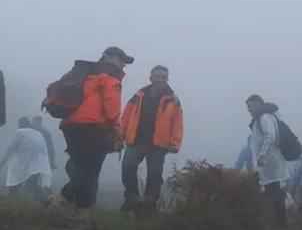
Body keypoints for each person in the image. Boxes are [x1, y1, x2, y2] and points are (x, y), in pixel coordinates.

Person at [58, 46, 131, 208]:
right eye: (121, 59)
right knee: (90, 169)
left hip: (70, 125)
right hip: (93, 127)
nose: (123, 65)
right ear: (107, 57)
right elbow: (112, 109)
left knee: (80, 165)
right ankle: (65, 200)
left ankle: (78, 207)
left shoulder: (87, 73)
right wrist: (117, 130)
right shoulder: (110, 75)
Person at [119, 65, 183, 212]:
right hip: (136, 140)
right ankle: (132, 198)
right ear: (151, 77)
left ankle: (150, 203)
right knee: (128, 167)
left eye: (163, 77)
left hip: (159, 144)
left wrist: (175, 143)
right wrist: (120, 134)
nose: (160, 79)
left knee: (154, 174)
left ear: (167, 79)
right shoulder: (139, 95)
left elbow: (177, 123)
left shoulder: (173, 99)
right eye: (157, 76)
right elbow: (127, 115)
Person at [246, 94, 288, 228]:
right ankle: (277, 224)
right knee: (272, 194)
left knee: (274, 194)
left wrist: (262, 155)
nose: (249, 109)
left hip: (270, 164)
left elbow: (270, 136)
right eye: (248, 107)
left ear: (259, 104)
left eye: (251, 106)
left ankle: (279, 225)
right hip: (268, 165)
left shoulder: (264, 118)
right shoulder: (261, 118)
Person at [0, 117, 53, 200]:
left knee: (15, 185)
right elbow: (45, 150)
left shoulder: (20, 132)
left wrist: (2, 163)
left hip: (24, 165)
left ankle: (12, 203)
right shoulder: (38, 133)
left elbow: (10, 149)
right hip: (37, 165)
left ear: (20, 125)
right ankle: (46, 201)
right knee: (33, 185)